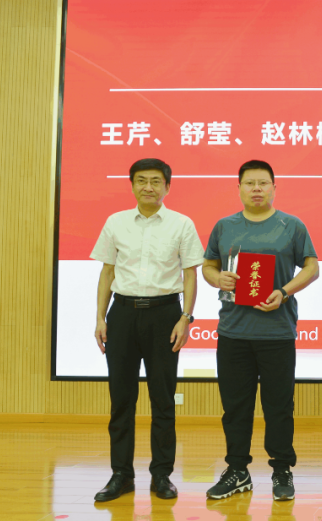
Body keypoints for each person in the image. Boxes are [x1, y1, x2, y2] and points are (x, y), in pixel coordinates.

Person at [201, 160, 320, 501]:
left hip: (276, 333)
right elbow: (208, 266)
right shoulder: (224, 226)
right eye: (250, 183)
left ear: (273, 188)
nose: (256, 189)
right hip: (233, 331)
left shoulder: (291, 225)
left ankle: (281, 469)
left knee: (278, 407)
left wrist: (284, 291)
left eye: (263, 183)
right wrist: (217, 278)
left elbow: (312, 267)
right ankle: (237, 470)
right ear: (239, 188)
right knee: (235, 407)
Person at [91, 158, 204, 502]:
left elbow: (189, 274)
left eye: (156, 181)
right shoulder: (116, 222)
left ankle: (162, 475)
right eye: (141, 181)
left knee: (163, 399)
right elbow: (107, 272)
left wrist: (186, 318)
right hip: (123, 314)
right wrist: (100, 318)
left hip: (164, 315)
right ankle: (121, 475)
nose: (148, 187)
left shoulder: (181, 224)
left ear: (167, 186)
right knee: (121, 399)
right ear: (132, 185)